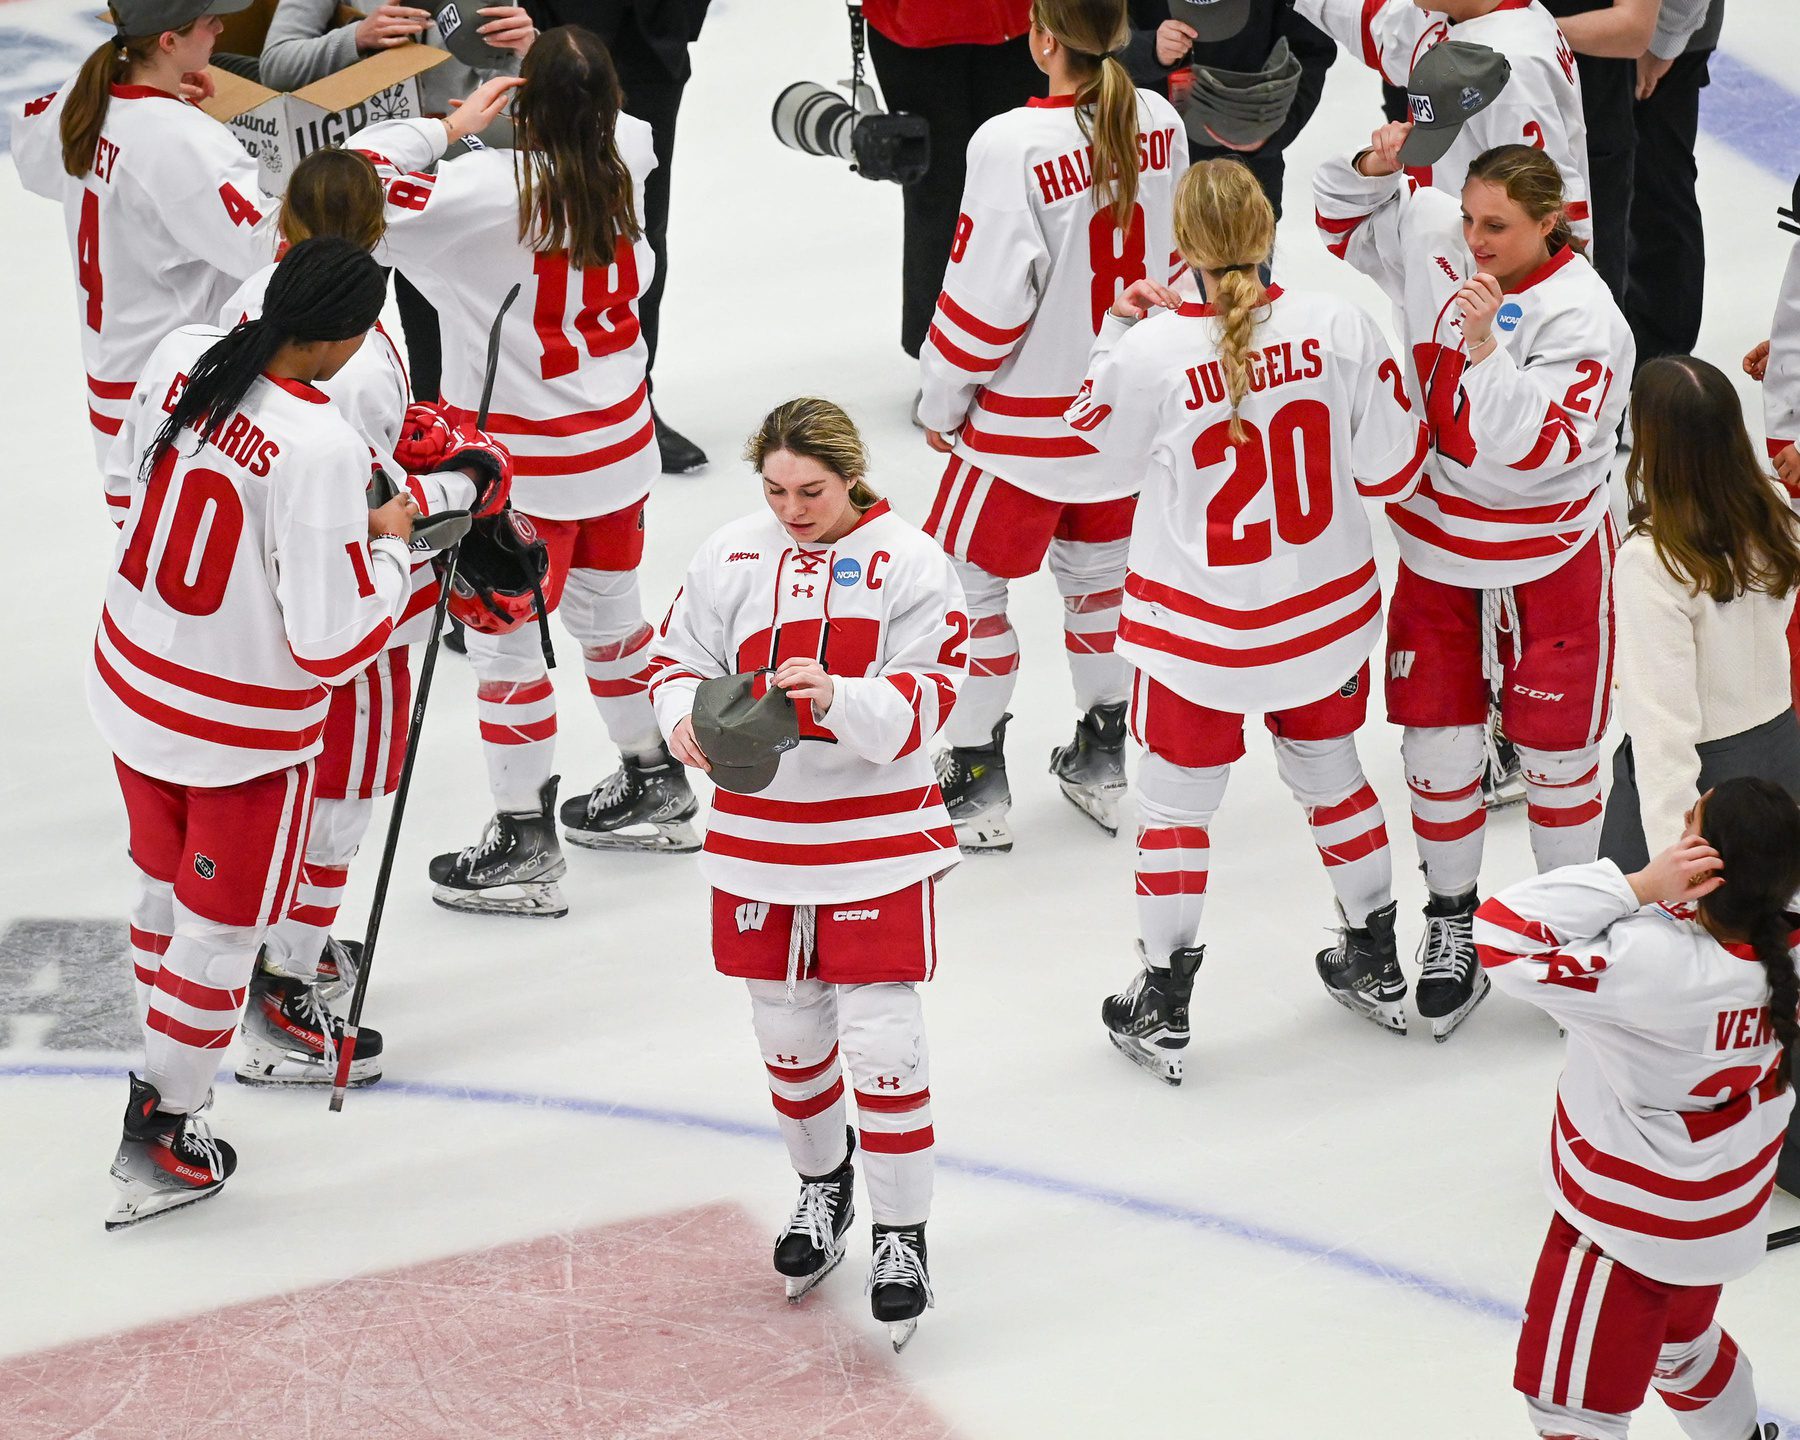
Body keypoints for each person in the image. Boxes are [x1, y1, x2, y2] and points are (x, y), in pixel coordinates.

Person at [1066, 159, 1427, 1077]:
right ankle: (1379, 959)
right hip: (1323, 620)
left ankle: (1165, 997)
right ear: (1268, 231)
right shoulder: (1341, 324)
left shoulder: (1151, 350)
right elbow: (1394, 472)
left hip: (1199, 637)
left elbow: (1096, 463)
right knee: (1334, 776)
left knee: (1175, 813)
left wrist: (1114, 331)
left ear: (1180, 249)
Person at [94, 238, 420, 1227]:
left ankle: (169, 1049)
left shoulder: (191, 357)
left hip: (132, 676)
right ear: (350, 337)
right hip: (234, 728)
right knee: (224, 932)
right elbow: (328, 643)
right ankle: (164, 1122)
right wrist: (398, 553)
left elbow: (130, 479)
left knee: (162, 886)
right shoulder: (321, 446)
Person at [348, 37, 695, 920]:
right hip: (619, 448)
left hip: (518, 476)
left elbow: (345, 188)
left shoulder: (481, 194)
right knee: (615, 626)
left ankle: (522, 837)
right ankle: (655, 780)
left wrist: (447, 126)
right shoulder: (629, 154)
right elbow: (631, 122)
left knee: (505, 656)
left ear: (521, 108)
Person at [647, 398, 967, 1347]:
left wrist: (841, 696)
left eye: (812, 491)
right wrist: (681, 726)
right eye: (777, 489)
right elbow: (674, 655)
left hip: (874, 838)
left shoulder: (912, 562)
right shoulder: (731, 553)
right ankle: (823, 1189)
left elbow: (932, 697)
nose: (792, 507)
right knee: (788, 1038)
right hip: (759, 840)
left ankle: (903, 1235)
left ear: (851, 475)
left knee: (883, 1046)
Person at [1315, 125, 1634, 1040]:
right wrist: (1372, 164)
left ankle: (1565, 930)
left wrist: (1489, 351)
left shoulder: (1586, 317)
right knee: (1437, 751)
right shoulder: (1438, 241)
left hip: (1551, 552)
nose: (1475, 239)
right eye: (1469, 218)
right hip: (1439, 548)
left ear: (1551, 224)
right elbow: (1338, 217)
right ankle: (1451, 923)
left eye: (1496, 224)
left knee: (1561, 760)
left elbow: (1535, 450)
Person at [215, 147, 511, 1081]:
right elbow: (366, 503)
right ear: (378, 236)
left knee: (302, 791)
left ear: (284, 226)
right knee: (342, 800)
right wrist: (457, 480)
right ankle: (286, 987)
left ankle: (279, 952)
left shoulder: (253, 300)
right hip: (345, 612)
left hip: (252, 598)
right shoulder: (352, 349)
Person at [917, 0, 1186, 853]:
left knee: (967, 599)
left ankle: (972, 774)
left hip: (1023, 432)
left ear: (1041, 38)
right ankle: (1105, 757)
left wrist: (942, 399)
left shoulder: (1011, 142)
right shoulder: (1163, 119)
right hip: (1124, 417)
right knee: (1102, 593)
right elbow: (1176, 263)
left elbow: (986, 300)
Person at [1476, 779, 1795, 1440]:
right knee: (1683, 1350)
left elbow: (1500, 933)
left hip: (1624, 1231)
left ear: (1704, 864)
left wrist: (1640, 886)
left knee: (1569, 1414)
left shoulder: (1647, 965)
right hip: (1719, 1213)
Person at [12, 0, 276, 484]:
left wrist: (169, 99)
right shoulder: (184, 142)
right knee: (179, 548)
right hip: (176, 387)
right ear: (169, 41)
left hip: (114, 370)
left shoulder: (87, 94)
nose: (220, 26)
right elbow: (266, 248)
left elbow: (34, 159)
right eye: (206, 20)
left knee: (141, 542)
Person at [259, 0, 538, 404]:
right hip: (346, 184)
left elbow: (514, 99)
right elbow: (275, 64)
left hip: (444, 181)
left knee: (440, 349)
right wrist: (355, 38)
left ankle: (428, 444)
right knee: (324, 335)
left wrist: (527, 52)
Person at [1598, 357, 1800, 873]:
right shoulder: (1775, 508)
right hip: (1781, 756)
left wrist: (1676, 855)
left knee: (1657, 941)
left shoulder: (1650, 560)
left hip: (1699, 784)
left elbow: (1662, 722)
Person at [521, 0, 714, 474]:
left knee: (641, 228)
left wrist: (679, 20)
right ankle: (546, 406)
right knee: (542, 226)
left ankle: (633, 400)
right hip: (553, 42)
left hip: (651, 45)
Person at [1296, 0, 1592, 245]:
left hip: (1487, 292)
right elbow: (1384, 26)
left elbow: (1553, 216)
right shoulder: (1463, 13)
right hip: (1451, 268)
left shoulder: (1511, 70)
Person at [858, 0, 1045, 364]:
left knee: (1018, 185)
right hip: (916, 26)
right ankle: (938, 357)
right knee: (936, 189)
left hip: (1019, 22)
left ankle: (1025, 346)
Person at [1120, 0, 1335, 218]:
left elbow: (1312, 51)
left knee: (1243, 242)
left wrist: (1273, 131)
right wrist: (1148, 49)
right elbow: (1093, 46)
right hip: (1149, 174)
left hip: (1246, 180)